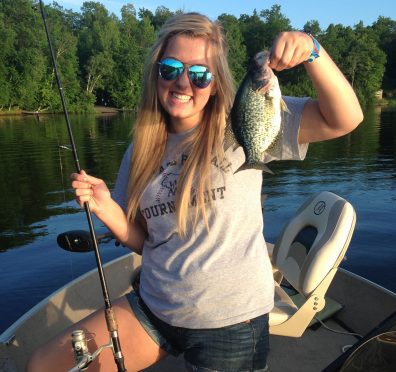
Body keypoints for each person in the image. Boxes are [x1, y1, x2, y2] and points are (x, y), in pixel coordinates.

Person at [28, 12, 363, 372]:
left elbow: (344, 119)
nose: (183, 82)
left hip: (232, 322)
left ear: (216, 82)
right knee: (44, 365)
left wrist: (313, 51)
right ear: (157, 74)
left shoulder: (243, 122)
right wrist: (106, 206)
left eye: (200, 74)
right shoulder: (141, 148)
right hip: (156, 306)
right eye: (171, 68)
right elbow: (145, 240)